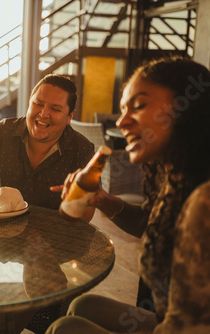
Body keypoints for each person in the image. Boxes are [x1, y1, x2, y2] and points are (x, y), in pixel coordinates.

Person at [46, 57, 210, 333]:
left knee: (65, 327)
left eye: (140, 105)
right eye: (122, 110)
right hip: (168, 319)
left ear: (186, 107)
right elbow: (154, 223)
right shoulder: (178, 175)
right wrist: (103, 200)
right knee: (83, 305)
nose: (122, 122)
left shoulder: (204, 201)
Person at [0, 74, 95, 218]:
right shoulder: (5, 131)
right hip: (0, 234)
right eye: (38, 104)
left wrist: (82, 199)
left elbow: (87, 216)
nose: (43, 113)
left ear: (70, 116)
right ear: (29, 103)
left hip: (51, 240)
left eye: (55, 109)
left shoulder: (82, 150)